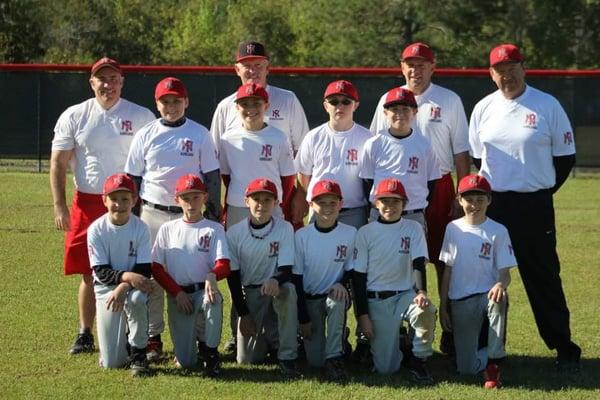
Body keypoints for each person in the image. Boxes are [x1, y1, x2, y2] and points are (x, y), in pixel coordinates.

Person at [469, 43, 580, 372]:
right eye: (500, 70)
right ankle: (486, 347)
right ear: (491, 74)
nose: (507, 75)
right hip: (494, 205)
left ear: (523, 67)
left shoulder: (547, 105)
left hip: (534, 205)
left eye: (512, 67)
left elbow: (565, 159)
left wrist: (538, 189)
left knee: (543, 276)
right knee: (486, 278)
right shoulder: (483, 108)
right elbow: (479, 159)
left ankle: (564, 347)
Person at [370, 42, 470, 353]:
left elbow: (460, 152)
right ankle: (396, 330)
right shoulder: (389, 100)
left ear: (433, 66)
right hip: (391, 190)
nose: (416, 69)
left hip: (437, 186)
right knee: (392, 260)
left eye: (422, 64)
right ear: (401, 67)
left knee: (443, 260)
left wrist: (460, 192)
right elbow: (374, 144)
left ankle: (449, 329)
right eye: (410, 64)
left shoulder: (449, 100)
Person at [50, 57, 155, 355]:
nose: (108, 85)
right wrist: (59, 206)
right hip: (88, 202)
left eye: (113, 79)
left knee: (135, 269)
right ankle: (85, 332)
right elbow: (58, 162)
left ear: (122, 82)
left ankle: (140, 337)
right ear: (92, 82)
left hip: (130, 203)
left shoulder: (141, 115)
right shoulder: (75, 115)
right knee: (89, 271)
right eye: (102, 79)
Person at [124, 76, 221, 362]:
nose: (171, 106)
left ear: (186, 102)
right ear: (157, 104)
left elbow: (212, 176)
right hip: (153, 212)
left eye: (177, 100)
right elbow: (133, 177)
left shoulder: (200, 133)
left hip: (188, 215)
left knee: (193, 276)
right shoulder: (146, 133)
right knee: (151, 275)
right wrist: (132, 216)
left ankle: (201, 338)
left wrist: (212, 212)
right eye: (165, 101)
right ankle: (153, 337)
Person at [352, 178, 435, 381]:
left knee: (425, 309)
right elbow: (358, 277)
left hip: (405, 295)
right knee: (386, 368)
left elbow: (418, 263)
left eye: (396, 201)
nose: (390, 206)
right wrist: (363, 316)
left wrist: (421, 291)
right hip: (377, 300)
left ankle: (419, 361)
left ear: (404, 204)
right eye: (385, 201)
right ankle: (402, 342)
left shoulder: (413, 228)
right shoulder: (365, 232)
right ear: (376, 203)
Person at [439, 174, 516, 388]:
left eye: (480, 200)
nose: (475, 205)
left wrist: (501, 284)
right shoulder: (452, 228)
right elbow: (447, 271)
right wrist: (444, 306)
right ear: (459, 200)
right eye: (469, 199)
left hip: (487, 297)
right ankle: (485, 352)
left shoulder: (498, 230)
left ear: (489, 200)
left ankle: (494, 360)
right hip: (460, 301)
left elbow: (505, 272)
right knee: (466, 370)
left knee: (499, 298)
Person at [150, 174, 230, 377]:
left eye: (196, 197)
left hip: (203, 290)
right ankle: (193, 348)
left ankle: (211, 356)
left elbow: (224, 264)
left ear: (205, 197)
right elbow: (156, 267)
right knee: (186, 362)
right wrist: (176, 292)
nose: (191, 203)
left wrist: (212, 275)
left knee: (214, 301)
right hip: (179, 296)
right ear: (177, 200)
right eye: (186, 198)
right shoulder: (168, 229)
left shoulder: (214, 228)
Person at [226, 178, 300, 378]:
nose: (261, 204)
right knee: (247, 359)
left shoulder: (284, 228)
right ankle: (269, 340)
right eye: (256, 199)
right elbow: (232, 277)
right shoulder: (234, 232)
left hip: (276, 289)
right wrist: (243, 313)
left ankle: (287, 355)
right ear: (246, 201)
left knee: (289, 291)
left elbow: (286, 268)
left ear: (276, 203)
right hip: (251, 293)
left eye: (268, 200)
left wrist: (275, 279)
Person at [86, 173, 153, 376]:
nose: (119, 204)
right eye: (114, 199)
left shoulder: (141, 227)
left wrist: (125, 285)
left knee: (138, 299)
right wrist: (126, 278)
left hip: (132, 288)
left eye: (125, 199)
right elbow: (101, 271)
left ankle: (139, 353)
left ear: (134, 200)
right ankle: (120, 343)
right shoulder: (96, 229)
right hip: (106, 289)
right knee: (112, 363)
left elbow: (143, 271)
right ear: (104, 200)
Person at [293, 180, 356, 382]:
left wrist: (342, 283)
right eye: (321, 203)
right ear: (311, 205)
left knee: (337, 301)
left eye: (332, 203)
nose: (327, 208)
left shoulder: (350, 233)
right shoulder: (302, 236)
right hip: (310, 299)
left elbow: (351, 269)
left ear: (340, 204)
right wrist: (303, 318)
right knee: (314, 361)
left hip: (333, 296)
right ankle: (338, 340)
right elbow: (296, 279)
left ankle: (335, 357)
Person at [294, 80, 372, 229]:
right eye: (334, 101)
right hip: (320, 210)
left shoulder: (368, 138)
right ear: (326, 106)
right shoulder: (313, 136)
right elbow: (303, 175)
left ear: (356, 105)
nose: (340, 106)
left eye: (346, 101)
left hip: (354, 211)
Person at [210, 41, 309, 156]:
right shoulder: (225, 106)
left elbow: (303, 148)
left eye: (258, 65)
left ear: (267, 68)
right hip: (238, 173)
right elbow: (214, 152)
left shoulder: (288, 99)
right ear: (237, 70)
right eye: (247, 66)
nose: (253, 71)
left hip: (278, 173)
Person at [360, 87, 440, 227]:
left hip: (413, 215)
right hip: (381, 214)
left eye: (405, 109)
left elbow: (431, 183)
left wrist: (416, 205)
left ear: (414, 112)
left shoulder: (425, 145)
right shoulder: (374, 144)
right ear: (385, 112)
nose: (400, 113)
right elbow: (367, 182)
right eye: (394, 109)